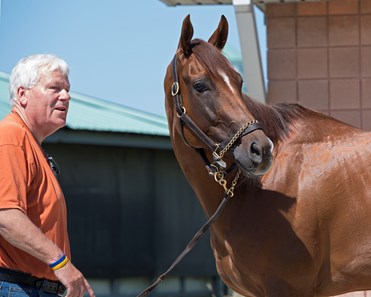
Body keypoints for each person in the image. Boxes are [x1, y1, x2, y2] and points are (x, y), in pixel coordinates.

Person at [0, 54, 95, 297]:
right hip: (17, 288)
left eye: (67, 90)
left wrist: (69, 275)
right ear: (22, 94)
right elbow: (6, 215)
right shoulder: (11, 137)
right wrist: (62, 265)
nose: (66, 96)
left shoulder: (31, 144)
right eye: (55, 88)